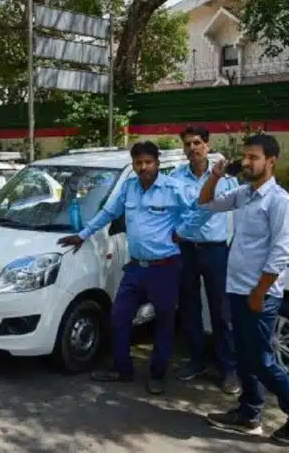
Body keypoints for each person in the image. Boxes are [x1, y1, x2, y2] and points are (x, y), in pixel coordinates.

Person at [199, 134, 289, 445]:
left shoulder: (280, 202)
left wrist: (259, 292)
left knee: (262, 360)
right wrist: (214, 177)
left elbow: (280, 253)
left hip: (260, 294)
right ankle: (249, 413)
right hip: (238, 289)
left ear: (271, 161)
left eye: (254, 157)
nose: (247, 162)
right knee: (244, 356)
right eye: (245, 156)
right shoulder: (243, 194)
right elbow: (205, 204)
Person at [57, 141, 210, 395]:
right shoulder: (129, 188)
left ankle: (158, 375)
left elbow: (204, 207)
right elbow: (107, 213)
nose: (143, 167)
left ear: (157, 164)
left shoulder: (173, 188)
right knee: (119, 318)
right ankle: (122, 369)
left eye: (148, 162)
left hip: (165, 268)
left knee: (163, 322)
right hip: (136, 268)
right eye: (138, 163)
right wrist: (82, 235)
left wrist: (184, 232)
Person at [170, 126, 240, 394]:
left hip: (215, 249)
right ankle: (196, 360)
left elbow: (238, 211)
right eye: (187, 144)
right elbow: (175, 211)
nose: (192, 148)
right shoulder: (177, 178)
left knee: (221, 309)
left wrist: (233, 245)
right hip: (186, 249)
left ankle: (228, 368)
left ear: (207, 146)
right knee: (188, 307)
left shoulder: (225, 178)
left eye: (197, 143)